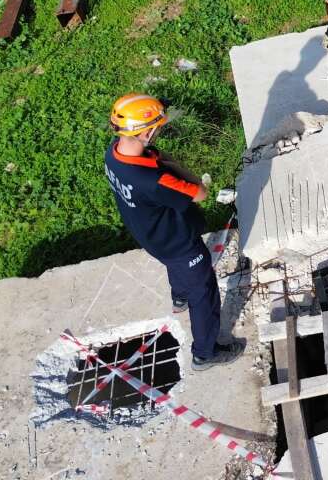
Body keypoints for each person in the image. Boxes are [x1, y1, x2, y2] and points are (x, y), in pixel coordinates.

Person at [103, 94, 244, 371]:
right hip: (180, 243)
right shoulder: (155, 180)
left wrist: (160, 161)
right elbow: (200, 193)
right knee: (203, 292)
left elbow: (153, 161)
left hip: (150, 234)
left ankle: (179, 297)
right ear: (147, 131)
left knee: (176, 269)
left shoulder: (114, 152)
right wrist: (175, 167)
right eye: (158, 127)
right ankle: (205, 353)